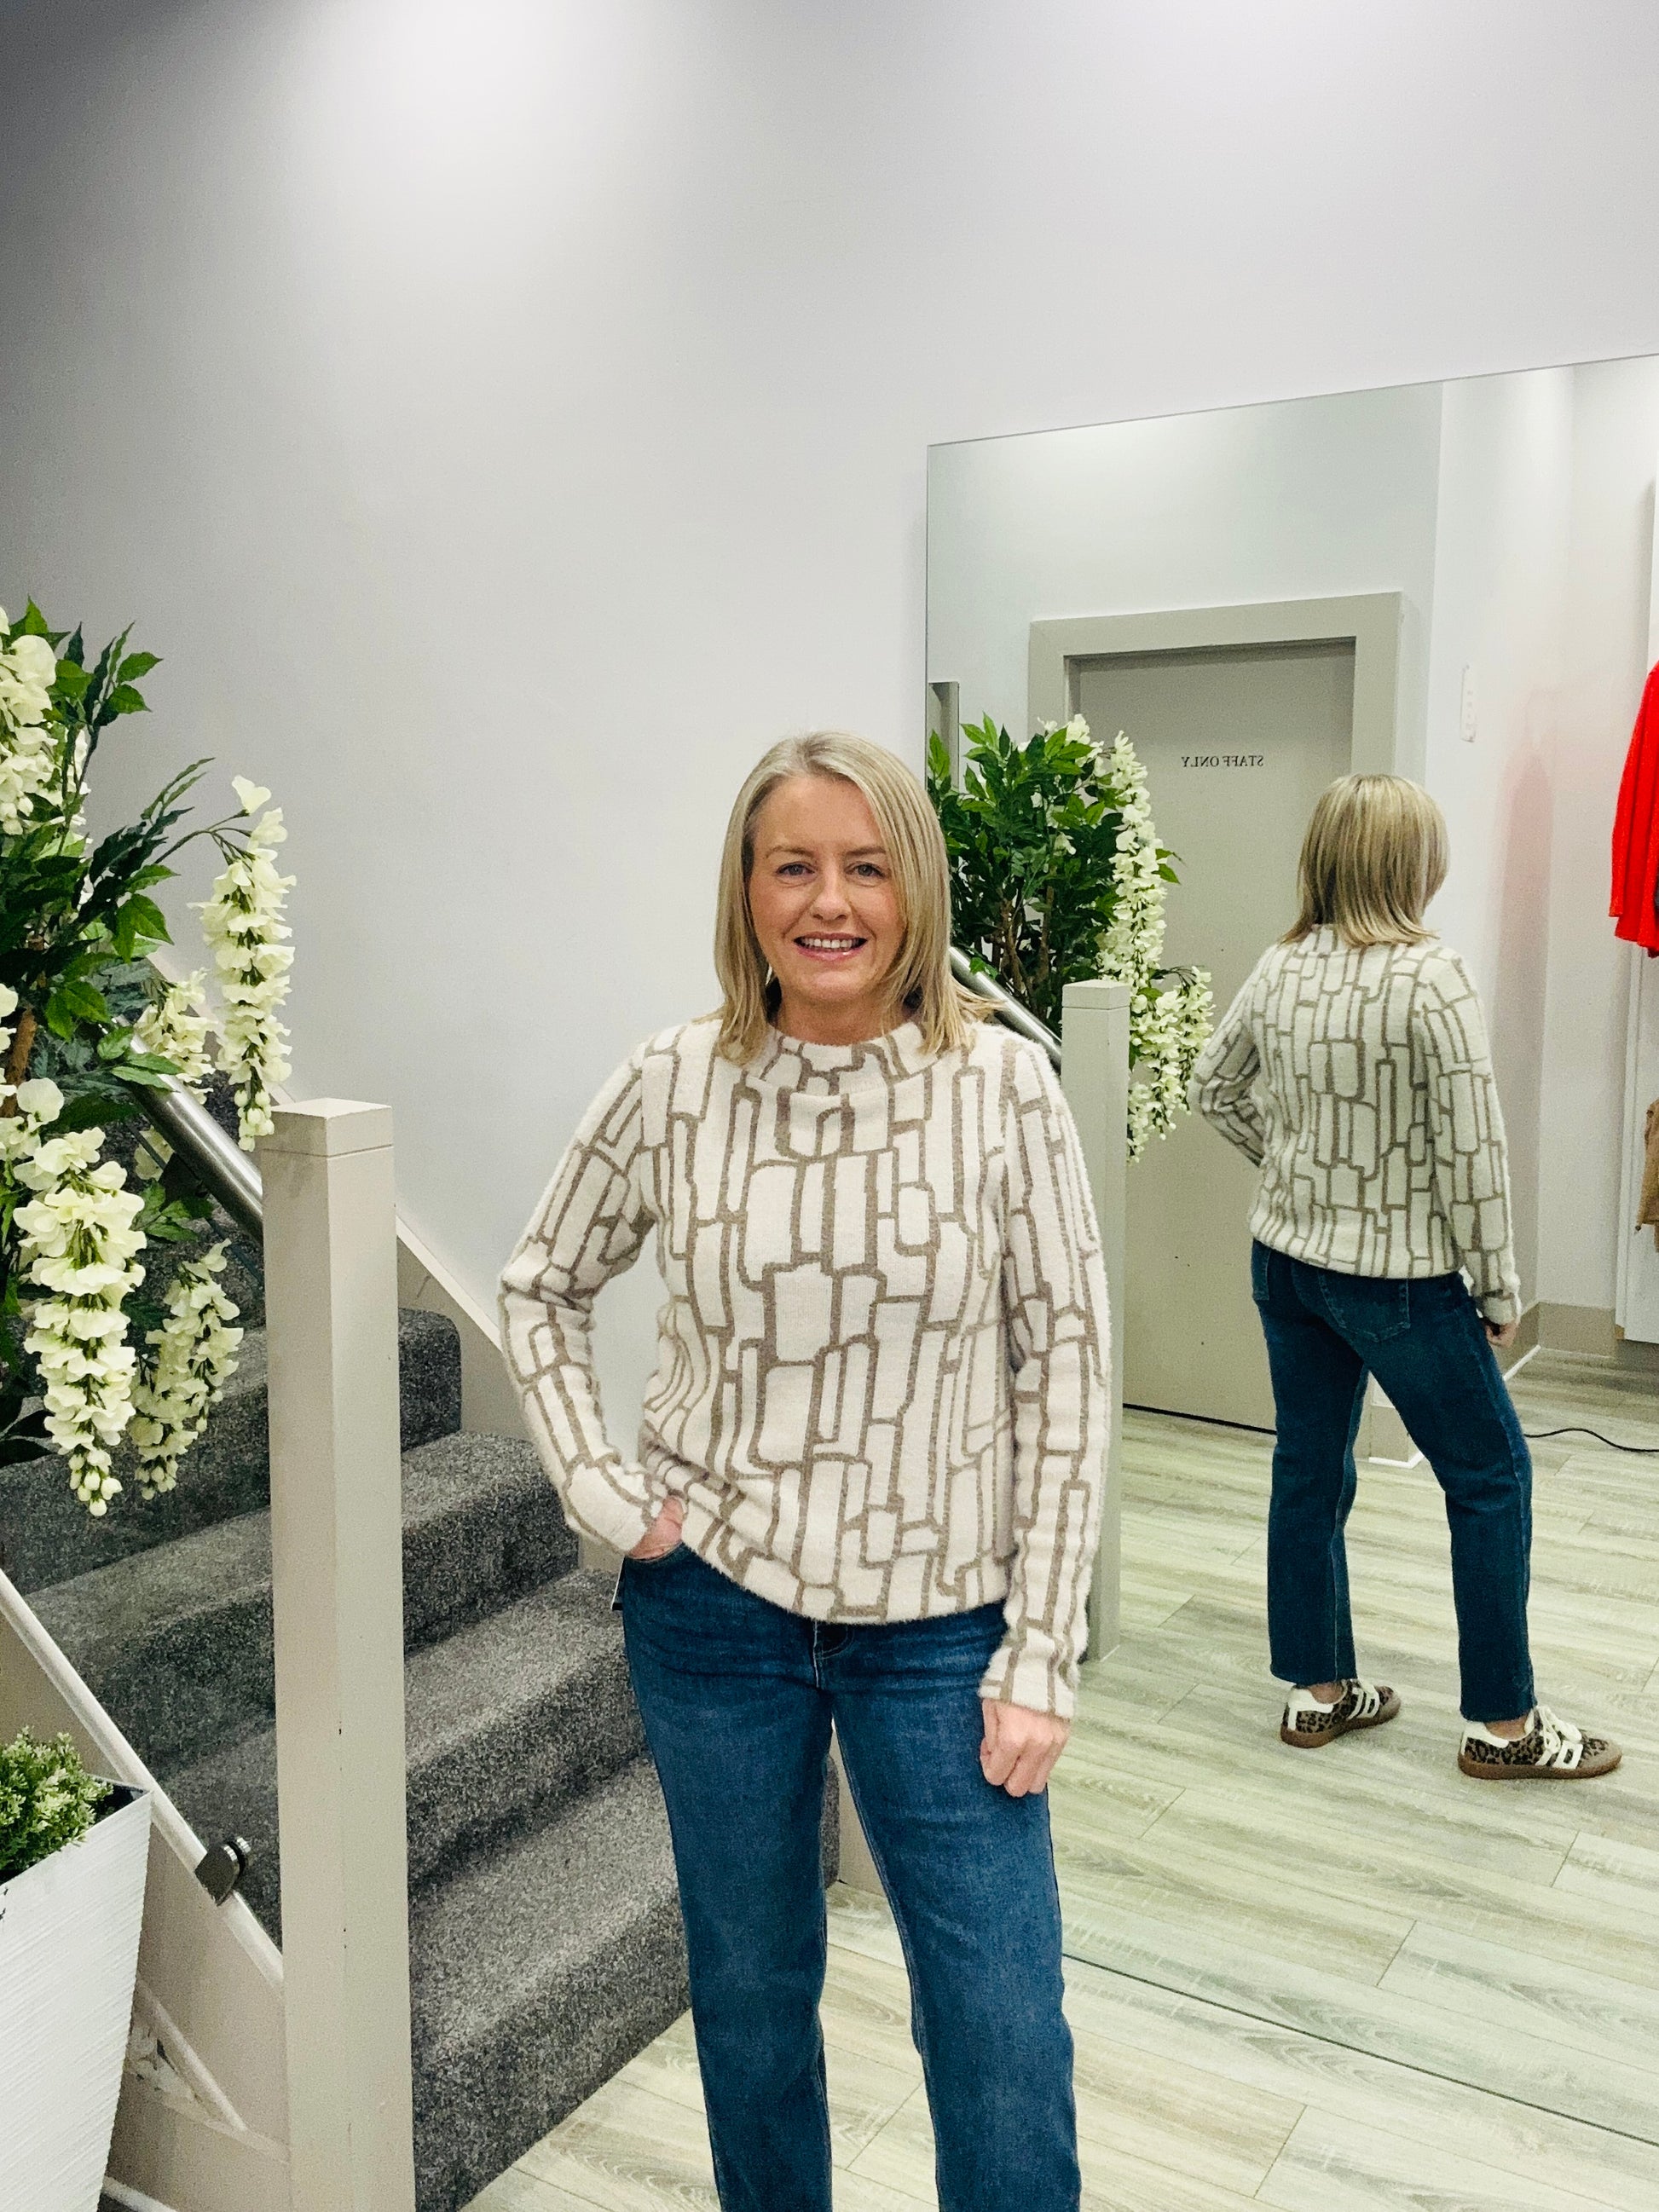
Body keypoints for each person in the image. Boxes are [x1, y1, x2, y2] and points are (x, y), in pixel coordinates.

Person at [500, 731, 1110, 2211]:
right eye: (793, 867)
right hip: (714, 1613)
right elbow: (538, 1285)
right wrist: (600, 1490)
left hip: (943, 1627)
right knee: (753, 1992)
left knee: (1000, 2022)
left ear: (915, 890)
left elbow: (1069, 1366)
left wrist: (1042, 1645)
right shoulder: (672, 1080)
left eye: (865, 866)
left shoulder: (1004, 1087)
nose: (828, 902)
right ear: (747, 891)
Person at [1191, 772, 1620, 1782]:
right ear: (1414, 865)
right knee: (1490, 1478)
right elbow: (1472, 1152)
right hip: (1395, 1280)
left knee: (1307, 1470)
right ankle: (1504, 1728)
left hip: (1285, 1263)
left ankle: (1316, 1693)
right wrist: (1499, 1289)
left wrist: (1289, 1168)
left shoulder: (1281, 963)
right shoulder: (1429, 976)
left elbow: (1213, 1088)